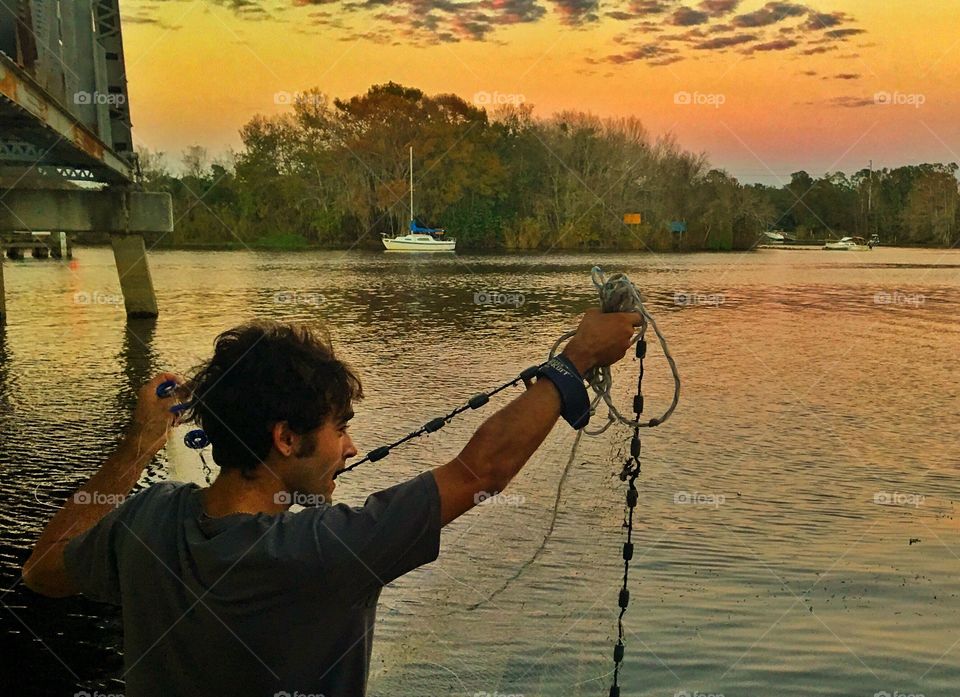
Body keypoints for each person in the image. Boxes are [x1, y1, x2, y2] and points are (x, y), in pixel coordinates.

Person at [21, 308, 641, 697]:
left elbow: (40, 570)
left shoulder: (146, 519)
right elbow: (482, 470)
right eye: (338, 427)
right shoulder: (325, 551)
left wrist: (138, 442)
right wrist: (576, 361)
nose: (351, 447)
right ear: (285, 438)